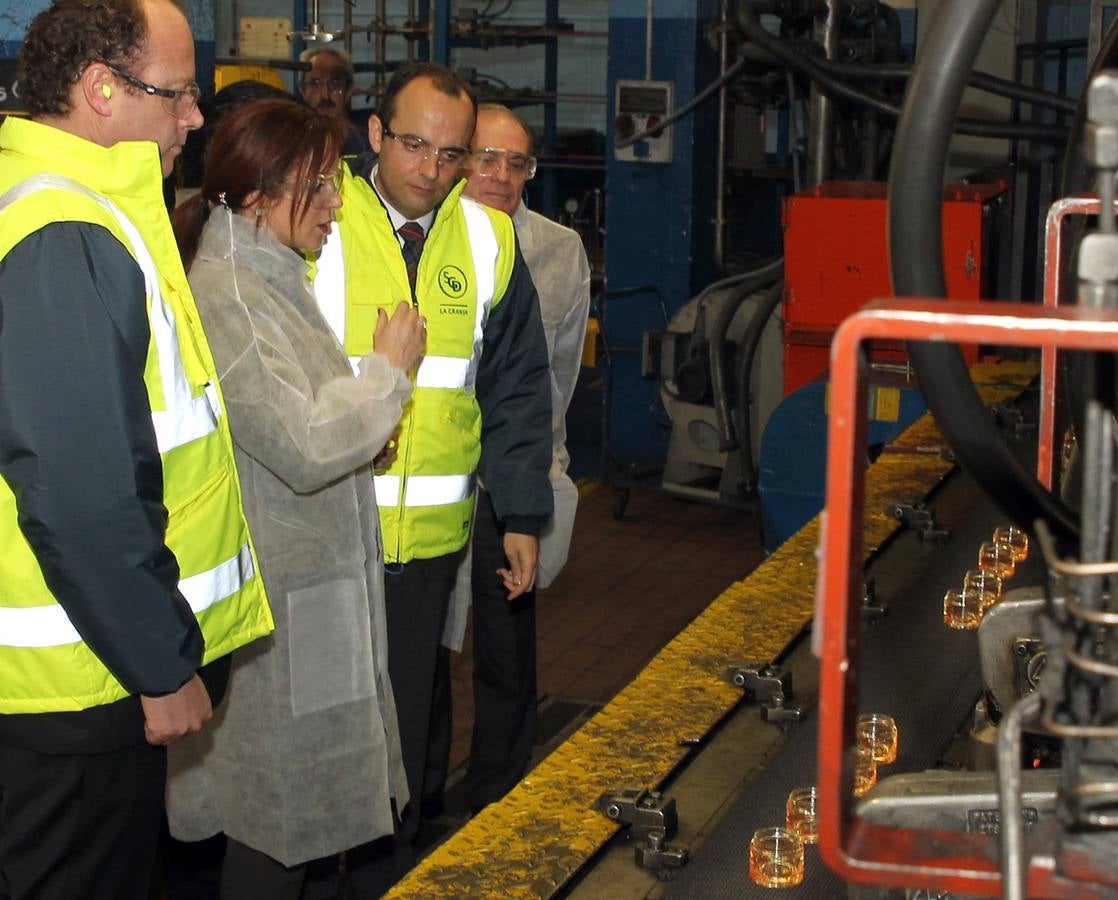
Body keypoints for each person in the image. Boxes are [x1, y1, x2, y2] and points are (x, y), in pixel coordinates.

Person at [0, 0, 275, 897]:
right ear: (101, 91)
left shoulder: (76, 211)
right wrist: (161, 662)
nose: (195, 119)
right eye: (180, 95)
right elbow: (80, 492)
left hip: (83, 667)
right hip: (79, 683)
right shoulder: (65, 233)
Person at [165, 98, 425, 899]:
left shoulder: (273, 279)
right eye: (320, 187)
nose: (339, 204)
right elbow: (306, 445)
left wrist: (362, 434)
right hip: (279, 605)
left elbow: (296, 424)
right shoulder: (231, 294)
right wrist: (387, 374)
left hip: (311, 593)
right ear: (255, 192)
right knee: (275, 820)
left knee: (307, 817)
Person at [311, 61, 553, 878]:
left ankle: (389, 874)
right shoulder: (317, 215)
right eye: (414, 144)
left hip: (425, 552)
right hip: (322, 541)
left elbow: (517, 389)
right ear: (375, 134)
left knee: (406, 734)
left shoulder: (489, 240)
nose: (431, 170)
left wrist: (521, 514)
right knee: (319, 728)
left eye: (453, 155)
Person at [442, 103, 592, 813]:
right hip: (435, 482)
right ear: (458, 157)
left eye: (516, 162)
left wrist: (539, 470)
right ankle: (421, 795)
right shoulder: (428, 239)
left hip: (514, 480)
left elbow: (558, 377)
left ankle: (497, 792)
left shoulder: (559, 249)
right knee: (428, 649)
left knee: (506, 644)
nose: (501, 175)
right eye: (485, 158)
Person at [298, 45, 370, 156]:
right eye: (315, 84)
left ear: (349, 91)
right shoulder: (290, 145)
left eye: (335, 84)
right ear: (302, 90)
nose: (325, 95)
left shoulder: (367, 145)